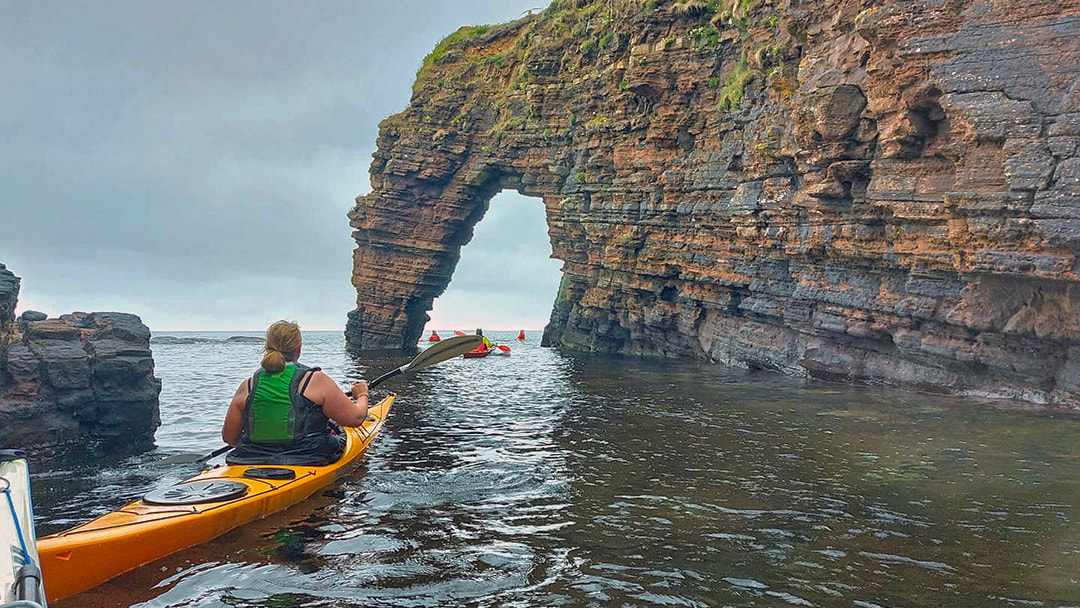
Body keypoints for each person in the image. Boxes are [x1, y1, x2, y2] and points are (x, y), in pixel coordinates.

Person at [221, 320, 369, 466]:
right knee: (340, 432)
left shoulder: (248, 385)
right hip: (310, 457)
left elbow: (229, 438)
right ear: (298, 349)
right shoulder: (315, 380)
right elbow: (355, 419)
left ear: (267, 348)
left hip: (250, 457)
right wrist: (362, 395)